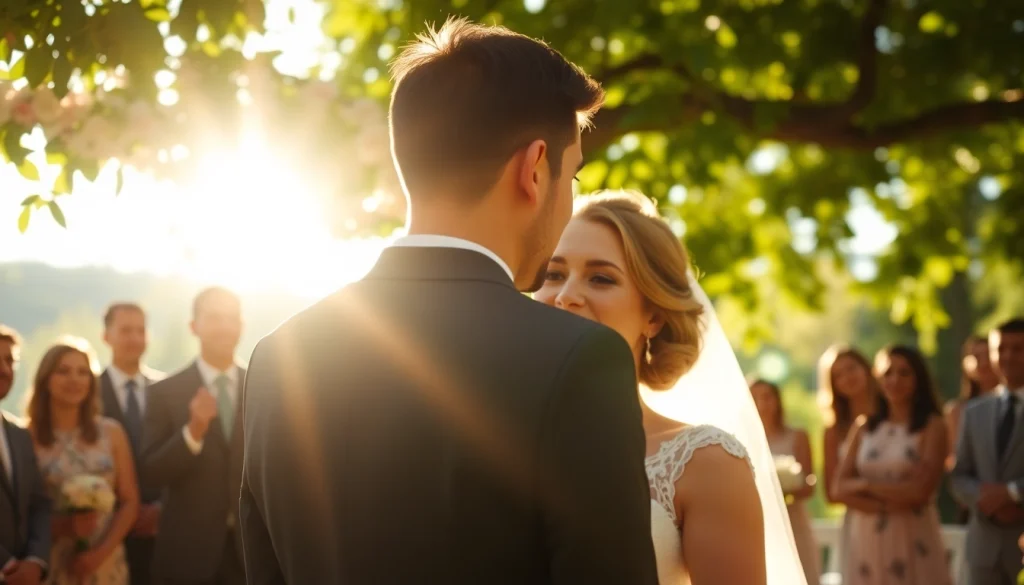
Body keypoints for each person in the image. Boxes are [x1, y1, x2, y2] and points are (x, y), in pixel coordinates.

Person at [239, 17, 657, 585]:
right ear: (534, 169)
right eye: (573, 177)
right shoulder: (581, 360)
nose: (568, 203)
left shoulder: (276, 356)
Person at [535, 190, 806, 585]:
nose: (565, 296)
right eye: (553, 274)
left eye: (600, 278)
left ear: (654, 318)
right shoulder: (486, 439)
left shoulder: (704, 462)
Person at [141, 288, 246, 585]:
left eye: (232, 318)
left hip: (250, 554)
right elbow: (151, 471)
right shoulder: (164, 392)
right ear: (194, 326)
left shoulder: (263, 387)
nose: (225, 326)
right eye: (214, 318)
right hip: (188, 557)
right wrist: (193, 432)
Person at [834, 345, 951, 585]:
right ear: (877, 378)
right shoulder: (863, 426)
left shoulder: (933, 426)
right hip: (865, 536)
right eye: (888, 373)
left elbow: (919, 492)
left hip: (913, 534)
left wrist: (863, 484)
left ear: (918, 378)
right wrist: (894, 497)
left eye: (904, 373)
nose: (895, 380)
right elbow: (838, 488)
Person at [27, 338, 139, 585]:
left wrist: (98, 554)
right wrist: (62, 526)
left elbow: (130, 501)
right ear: (45, 379)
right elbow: (21, 512)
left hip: (105, 562)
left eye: (82, 372)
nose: (74, 380)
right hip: (52, 564)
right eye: (63, 371)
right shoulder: (26, 438)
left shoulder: (112, 433)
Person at [952, 318, 1024, 585]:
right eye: (1001, 349)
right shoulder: (974, 412)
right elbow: (959, 476)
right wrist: (986, 501)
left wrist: (1011, 494)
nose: (1008, 356)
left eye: (1018, 349)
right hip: (983, 548)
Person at [98, 303, 164, 585]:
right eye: (125, 330)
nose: (134, 338)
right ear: (106, 336)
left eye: (140, 330)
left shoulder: (168, 390)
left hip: (162, 534)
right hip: (104, 535)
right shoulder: (87, 392)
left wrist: (164, 509)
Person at [750, 378, 820, 585]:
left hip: (794, 521)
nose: (762, 403)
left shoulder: (797, 436)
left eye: (767, 397)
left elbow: (809, 485)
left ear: (777, 400)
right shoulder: (741, 439)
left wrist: (783, 490)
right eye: (755, 397)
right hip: (759, 523)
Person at [0, 325, 50, 585]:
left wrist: (35, 561)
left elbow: (39, 503)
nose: (4, 369)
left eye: (10, 360)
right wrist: (7, 567)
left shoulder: (20, 434)